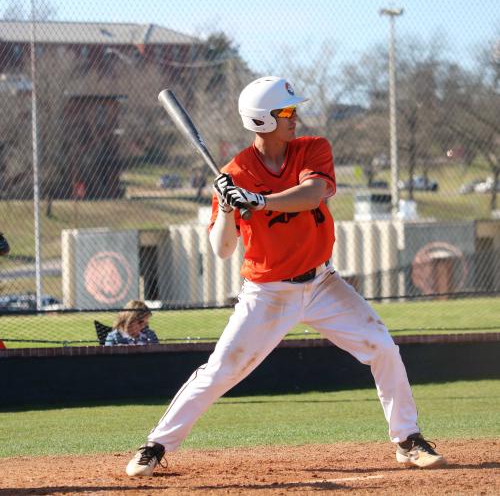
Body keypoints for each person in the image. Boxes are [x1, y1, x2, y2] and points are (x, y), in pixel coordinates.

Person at [126, 76, 445, 476]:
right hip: (267, 292)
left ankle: (407, 439)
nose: (296, 118)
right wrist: (227, 207)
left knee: (381, 345)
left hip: (323, 284)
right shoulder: (235, 172)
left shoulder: (313, 149)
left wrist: (257, 200)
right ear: (262, 121)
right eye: (287, 112)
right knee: (221, 370)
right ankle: (155, 445)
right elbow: (223, 250)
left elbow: (312, 194)